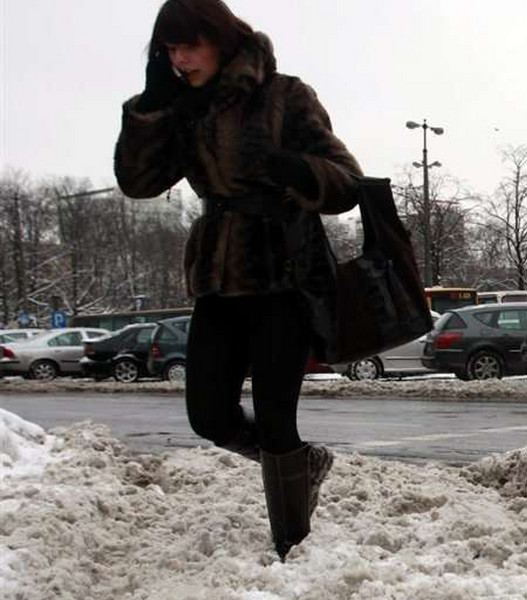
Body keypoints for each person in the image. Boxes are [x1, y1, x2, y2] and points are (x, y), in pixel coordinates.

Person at [114, 0, 362, 560]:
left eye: (188, 45)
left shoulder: (285, 95)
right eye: (168, 50)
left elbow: (346, 181)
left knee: (276, 417)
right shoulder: (184, 109)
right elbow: (139, 182)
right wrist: (151, 108)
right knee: (207, 414)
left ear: (220, 38)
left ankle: (291, 546)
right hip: (219, 279)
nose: (179, 60)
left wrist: (300, 171)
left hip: (284, 272)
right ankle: (308, 462)